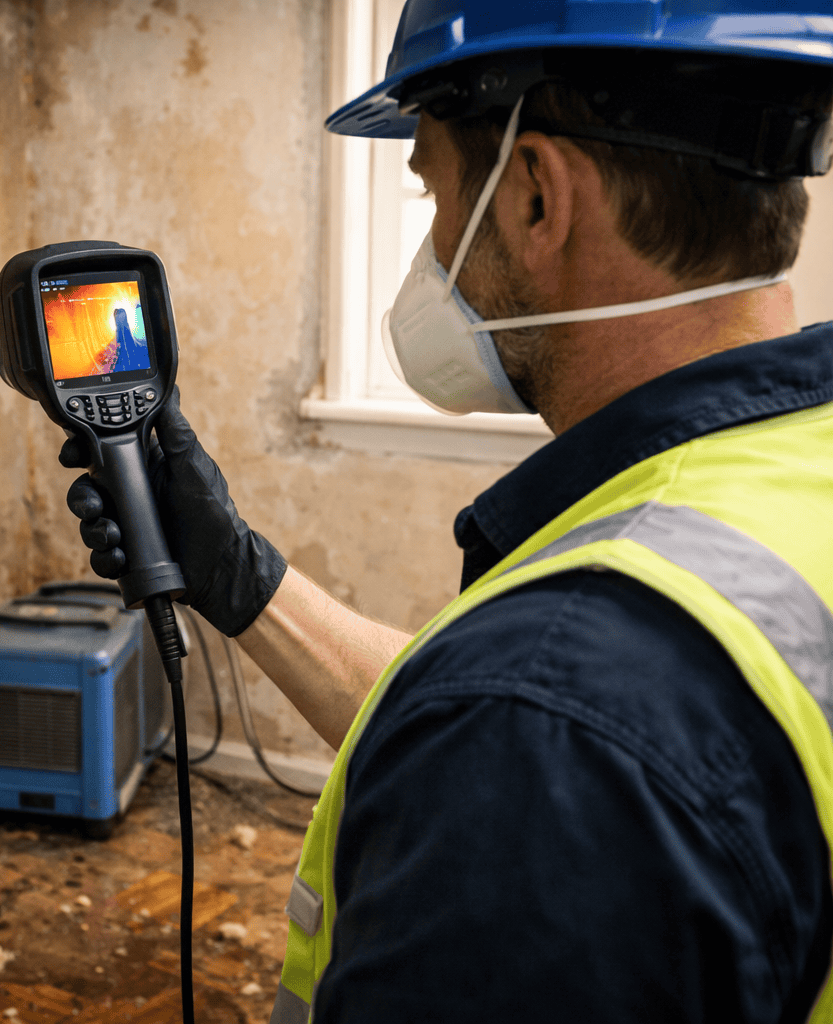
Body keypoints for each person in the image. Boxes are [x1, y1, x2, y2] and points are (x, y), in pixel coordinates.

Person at [61, 3, 833, 1020]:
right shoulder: (782, 472)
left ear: (534, 197)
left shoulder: (544, 724)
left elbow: (532, 718)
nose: (432, 246)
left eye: (431, 190)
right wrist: (243, 581)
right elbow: (488, 708)